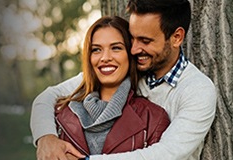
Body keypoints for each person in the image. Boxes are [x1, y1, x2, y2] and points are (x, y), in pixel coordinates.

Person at [30, 0, 217, 159]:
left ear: (176, 37)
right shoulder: (131, 67)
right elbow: (48, 96)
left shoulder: (197, 90)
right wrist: (46, 137)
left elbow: (165, 154)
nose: (134, 49)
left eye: (145, 41)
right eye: (132, 38)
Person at [52, 15, 170, 159]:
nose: (105, 57)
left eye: (116, 48)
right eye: (96, 50)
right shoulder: (60, 113)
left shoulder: (153, 119)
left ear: (130, 54)